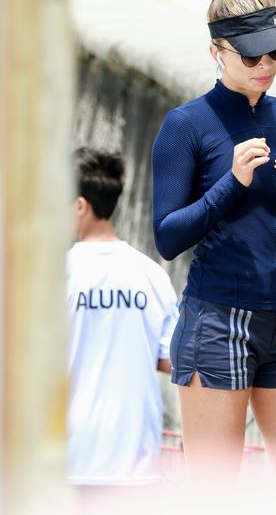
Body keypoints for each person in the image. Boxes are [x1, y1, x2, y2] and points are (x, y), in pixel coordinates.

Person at [152, 0, 276, 485]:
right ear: (217, 52)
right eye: (251, 55)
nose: (265, 66)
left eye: (275, 53)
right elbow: (167, 238)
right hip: (217, 322)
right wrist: (232, 182)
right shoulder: (186, 125)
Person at [66, 146, 179, 494]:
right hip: (137, 459)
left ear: (80, 206)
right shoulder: (151, 275)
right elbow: (173, 360)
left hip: (69, 457)